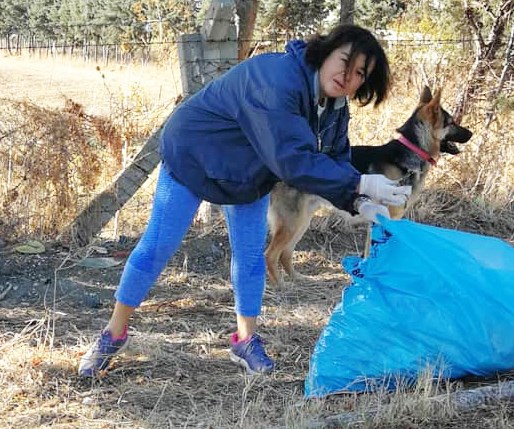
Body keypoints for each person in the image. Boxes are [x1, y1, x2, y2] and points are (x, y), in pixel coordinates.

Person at [78, 24, 412, 377]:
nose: (348, 76)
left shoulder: (333, 106)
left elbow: (332, 161)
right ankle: (113, 334)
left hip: (249, 173)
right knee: (157, 246)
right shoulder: (277, 79)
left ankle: (244, 340)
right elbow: (293, 159)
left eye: (360, 73)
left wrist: (357, 200)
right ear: (325, 51)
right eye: (345, 62)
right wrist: (359, 183)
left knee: (251, 256)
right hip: (194, 155)